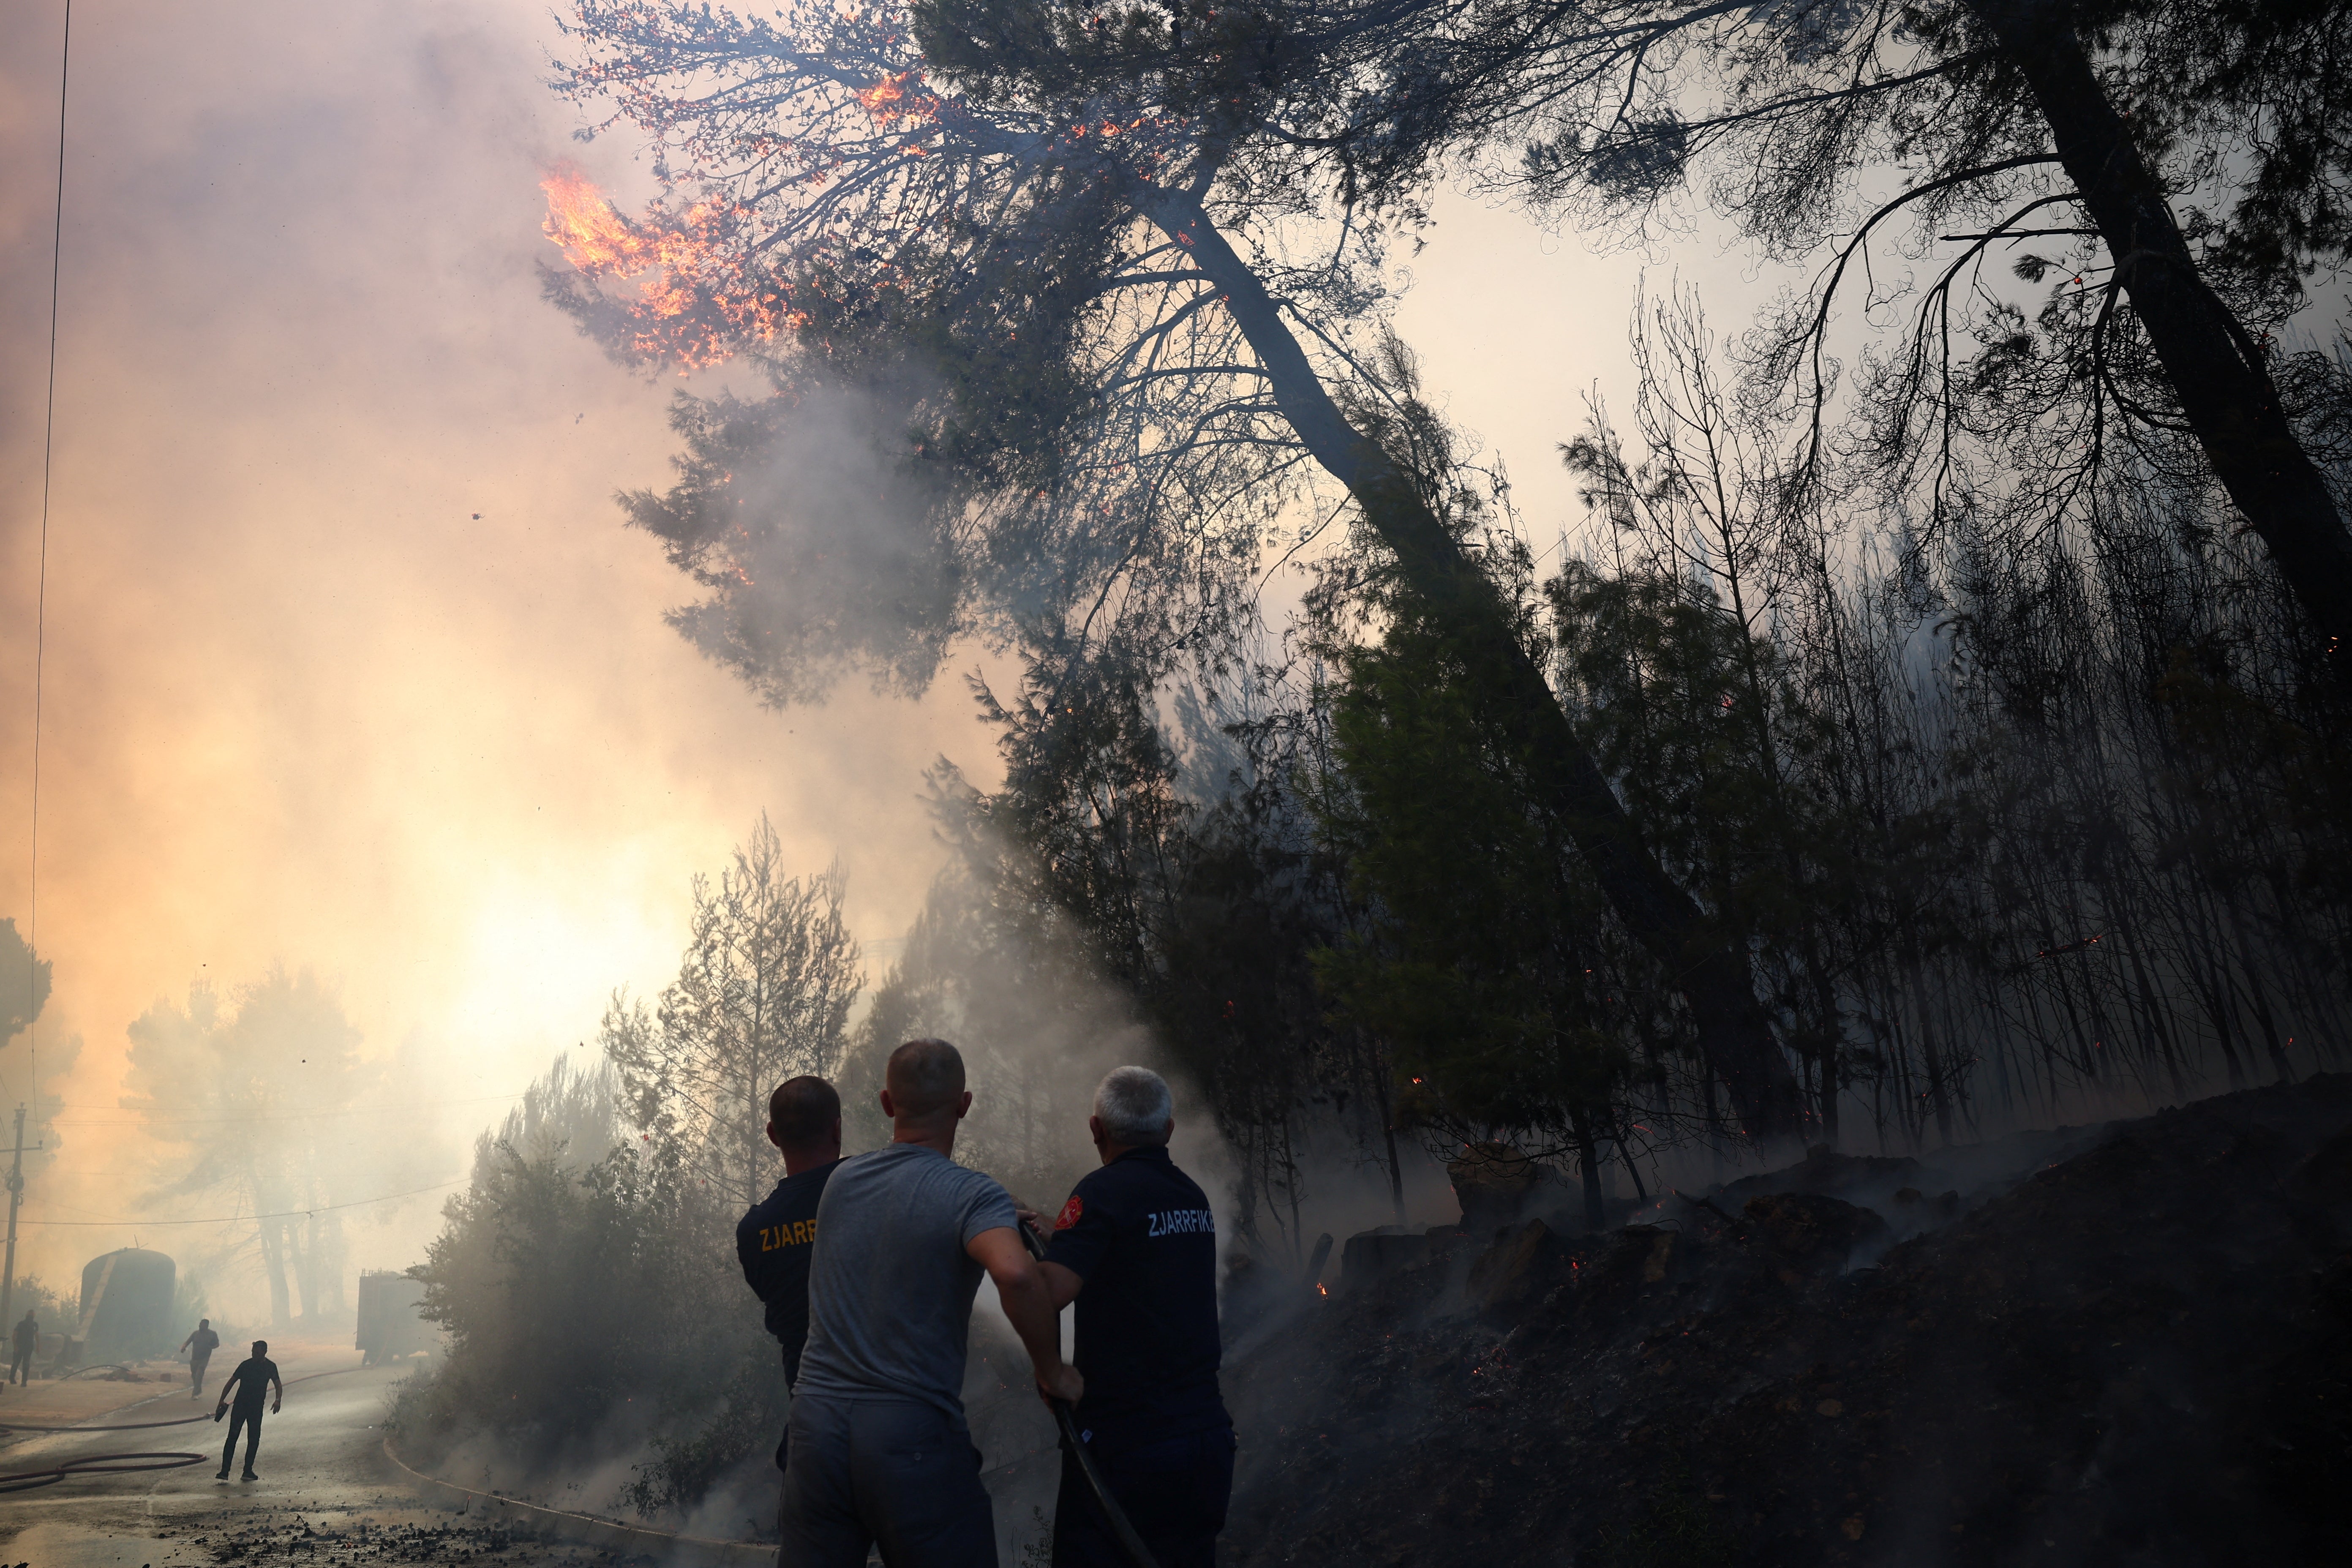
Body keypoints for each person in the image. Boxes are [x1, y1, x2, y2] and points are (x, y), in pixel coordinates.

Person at [780, 1038, 1082, 1568]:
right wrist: (1053, 1373)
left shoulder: (840, 1182)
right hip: (909, 1436)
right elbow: (1015, 1274)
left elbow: (900, 1217)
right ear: (964, 1105)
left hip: (815, 1429)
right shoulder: (973, 1195)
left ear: (886, 1103)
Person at [1032, 1066, 1235, 1568]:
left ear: (1095, 1129)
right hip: (1204, 1441)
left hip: (1128, 1445)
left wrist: (1010, 1250)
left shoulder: (1098, 1194)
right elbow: (1139, 1263)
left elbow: (1050, 1294)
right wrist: (1064, 1240)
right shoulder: (1190, 1197)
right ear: (1167, 1131)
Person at [736, 1075, 847, 1390]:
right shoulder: (879, 1190)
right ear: (837, 1128)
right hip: (895, 1409)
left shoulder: (754, 1231)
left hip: (812, 1416)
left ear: (773, 1135)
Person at [212, 1339, 281, 1482]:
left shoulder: (270, 1367)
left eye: (257, 1353)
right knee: (232, 1437)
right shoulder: (245, 1365)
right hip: (240, 1407)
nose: (254, 1355)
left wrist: (278, 1400)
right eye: (253, 1352)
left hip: (256, 1409)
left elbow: (278, 1384)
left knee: (254, 1439)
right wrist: (221, 1400)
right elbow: (231, 1382)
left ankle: (247, 1470)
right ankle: (224, 1472)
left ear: (264, 1352)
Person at [180, 1317, 221, 1399]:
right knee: (194, 1375)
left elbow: (217, 1344)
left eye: (201, 1325)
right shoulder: (195, 1334)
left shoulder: (212, 1334)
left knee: (200, 1373)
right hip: (195, 1358)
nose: (200, 1326)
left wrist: (211, 1347)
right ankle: (198, 1390)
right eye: (200, 1324)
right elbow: (187, 1342)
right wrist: (184, 1347)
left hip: (205, 1358)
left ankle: (195, 1394)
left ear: (206, 1326)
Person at [8, 1311, 35, 1386]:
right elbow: (14, 1335)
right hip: (22, 1347)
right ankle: (18, 1380)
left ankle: (20, 1381)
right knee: (20, 1363)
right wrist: (16, 1346)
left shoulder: (31, 1325)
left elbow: (36, 1335)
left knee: (20, 1363)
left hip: (25, 1347)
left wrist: (15, 1346)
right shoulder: (24, 1324)